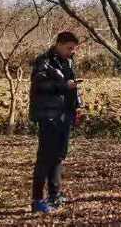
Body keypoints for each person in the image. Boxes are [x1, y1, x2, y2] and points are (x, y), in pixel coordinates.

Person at [29, 31, 84, 214]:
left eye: (74, 49)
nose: (72, 52)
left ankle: (55, 195)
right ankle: (37, 200)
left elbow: (71, 85)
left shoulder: (68, 61)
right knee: (45, 158)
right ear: (59, 44)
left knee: (59, 156)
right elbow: (39, 86)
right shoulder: (43, 61)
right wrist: (63, 86)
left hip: (65, 115)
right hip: (49, 116)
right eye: (69, 48)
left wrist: (78, 106)